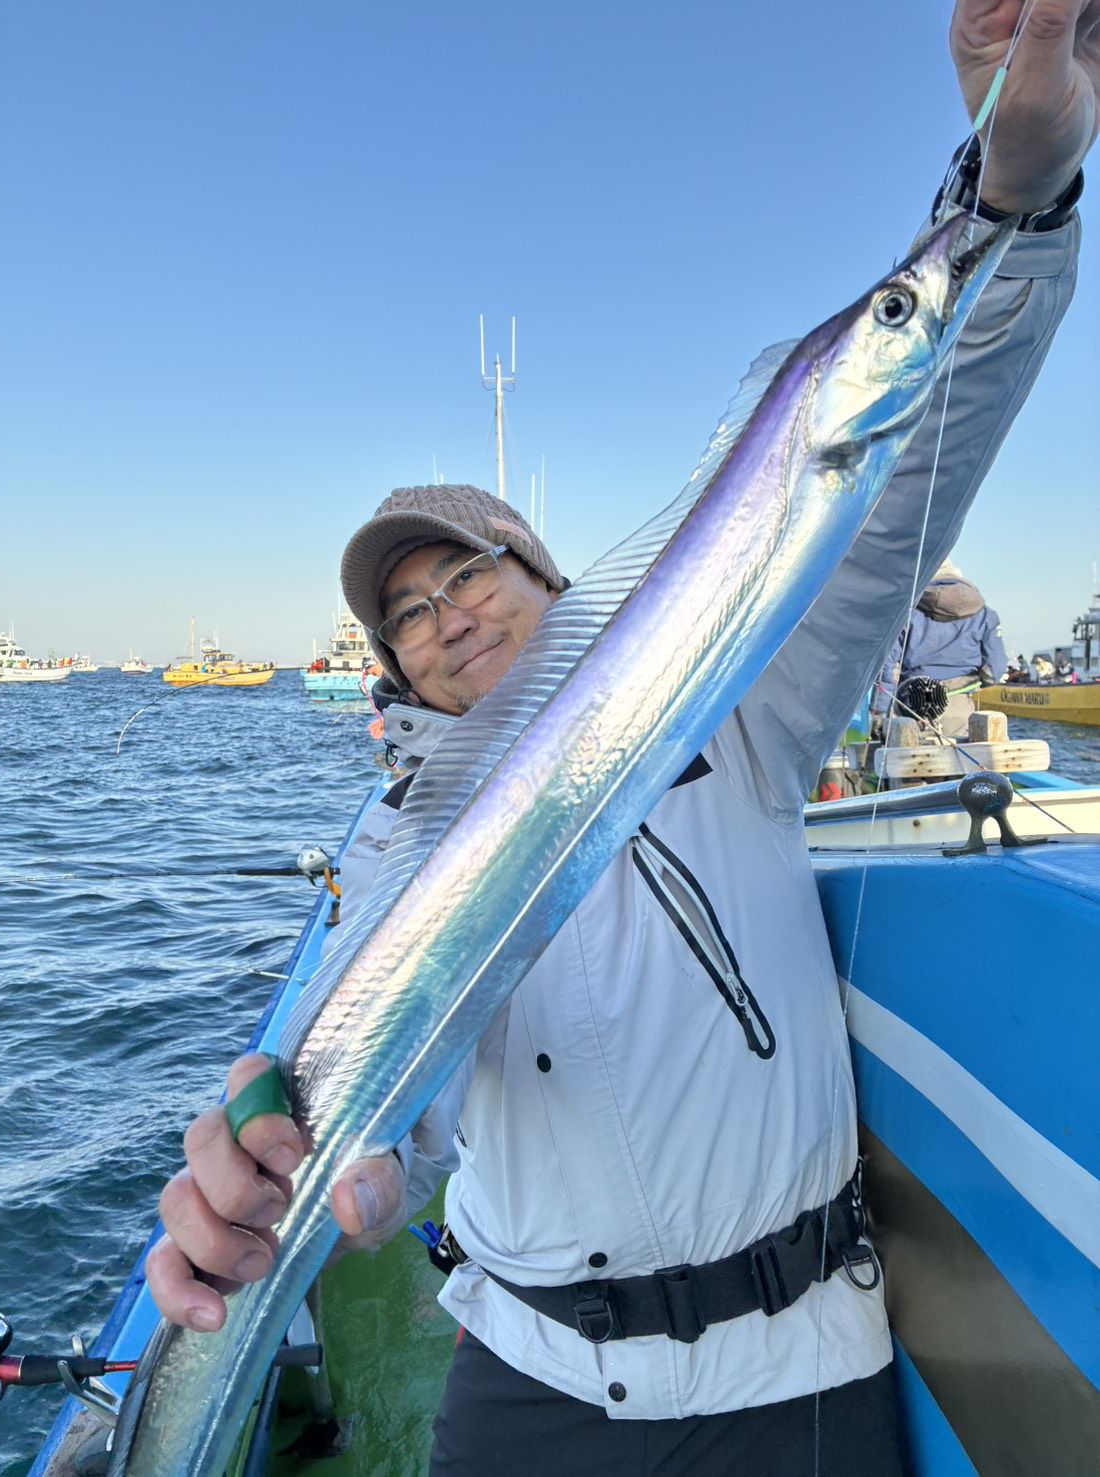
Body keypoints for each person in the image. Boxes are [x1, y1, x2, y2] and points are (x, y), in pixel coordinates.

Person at [145, 5, 1097, 1472]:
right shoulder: (394, 854)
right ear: (394, 667)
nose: (446, 618)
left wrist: (1014, 198)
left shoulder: (744, 704)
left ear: (551, 585)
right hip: (526, 1375)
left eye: (470, 574)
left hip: (794, 1363)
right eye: (407, 614)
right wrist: (321, 1170)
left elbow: (916, 451)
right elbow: (395, 1131)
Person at [874, 561, 1009, 739]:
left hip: (912, 706)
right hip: (959, 707)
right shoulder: (985, 614)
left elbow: (888, 668)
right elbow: (994, 671)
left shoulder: (906, 612)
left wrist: (879, 712)